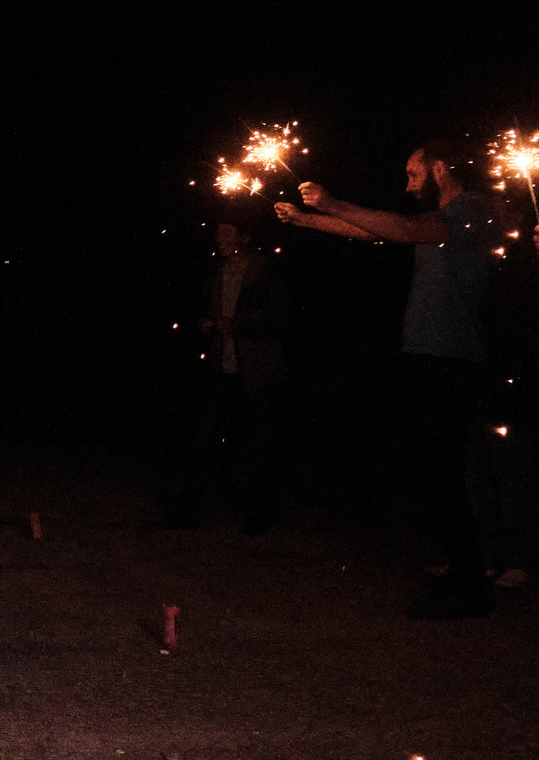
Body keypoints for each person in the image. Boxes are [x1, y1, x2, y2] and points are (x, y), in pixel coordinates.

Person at [277, 138, 501, 618]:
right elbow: (375, 232)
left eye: (413, 173)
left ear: (440, 169)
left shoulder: (473, 208)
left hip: (453, 357)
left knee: (446, 469)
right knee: (431, 466)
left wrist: (332, 201)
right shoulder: (441, 217)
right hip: (428, 354)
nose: (407, 183)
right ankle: (463, 571)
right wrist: (309, 219)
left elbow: (400, 228)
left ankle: (471, 583)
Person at [161, 218, 289, 534]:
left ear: (245, 235)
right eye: (217, 232)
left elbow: (283, 321)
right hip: (222, 369)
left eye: (227, 232)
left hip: (258, 372)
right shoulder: (215, 271)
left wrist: (240, 327)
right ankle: (186, 515)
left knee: (259, 445)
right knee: (203, 440)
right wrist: (204, 324)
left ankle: (260, 518)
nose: (219, 238)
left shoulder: (266, 271)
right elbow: (197, 310)